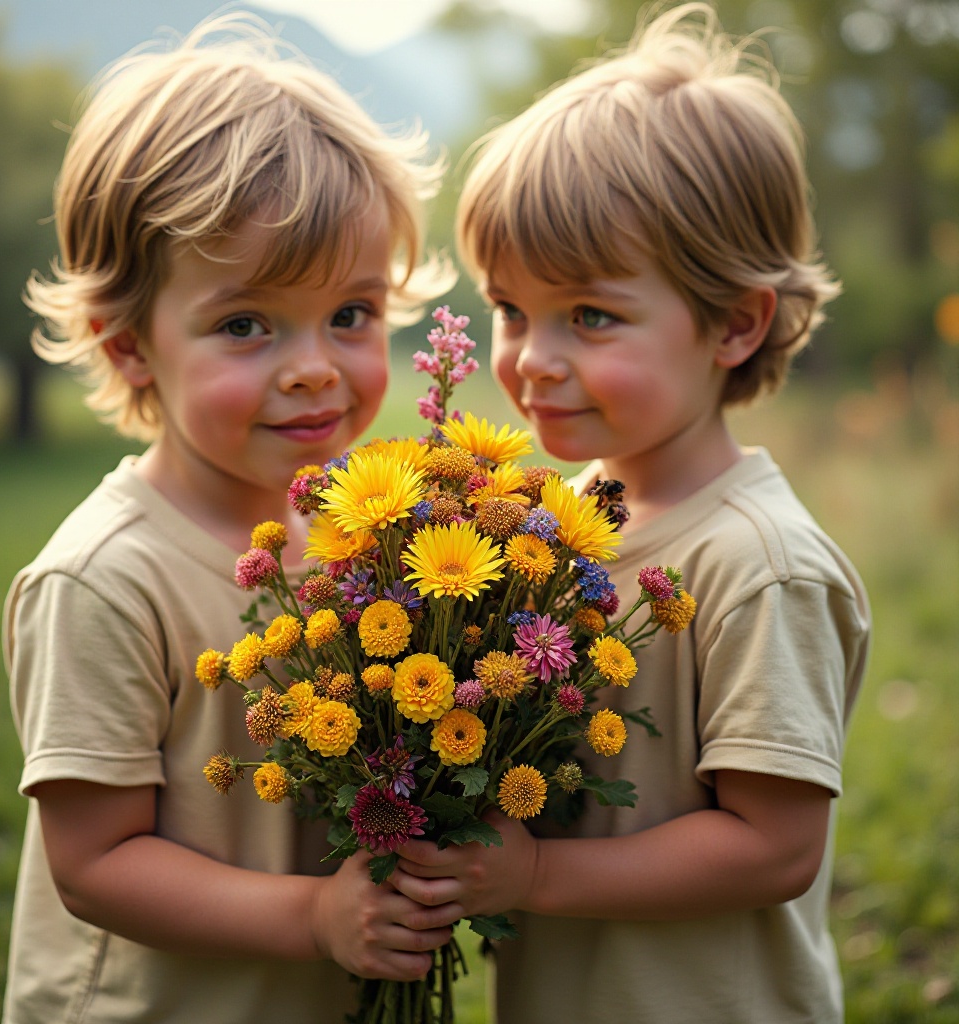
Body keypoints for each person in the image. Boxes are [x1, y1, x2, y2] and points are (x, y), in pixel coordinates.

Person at [392, 5, 871, 1022]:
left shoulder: (758, 559)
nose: (531, 359)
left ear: (734, 323)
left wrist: (531, 881)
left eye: (591, 316)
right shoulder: (554, 529)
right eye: (511, 309)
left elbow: (775, 844)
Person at [2, 15, 460, 1024]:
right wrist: (314, 916)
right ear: (126, 346)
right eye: (246, 323)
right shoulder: (106, 577)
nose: (314, 367)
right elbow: (97, 862)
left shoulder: (356, 538)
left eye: (351, 314)